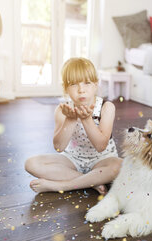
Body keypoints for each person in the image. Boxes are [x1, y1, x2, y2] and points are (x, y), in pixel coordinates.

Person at [25, 57, 122, 195]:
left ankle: (64, 186)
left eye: (87, 83)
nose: (81, 90)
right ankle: (91, 182)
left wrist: (86, 119)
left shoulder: (107, 107)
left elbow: (101, 146)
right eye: (74, 84)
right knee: (31, 163)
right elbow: (59, 147)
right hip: (73, 160)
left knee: (119, 166)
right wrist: (70, 119)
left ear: (95, 85)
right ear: (65, 88)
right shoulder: (62, 110)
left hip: (102, 160)